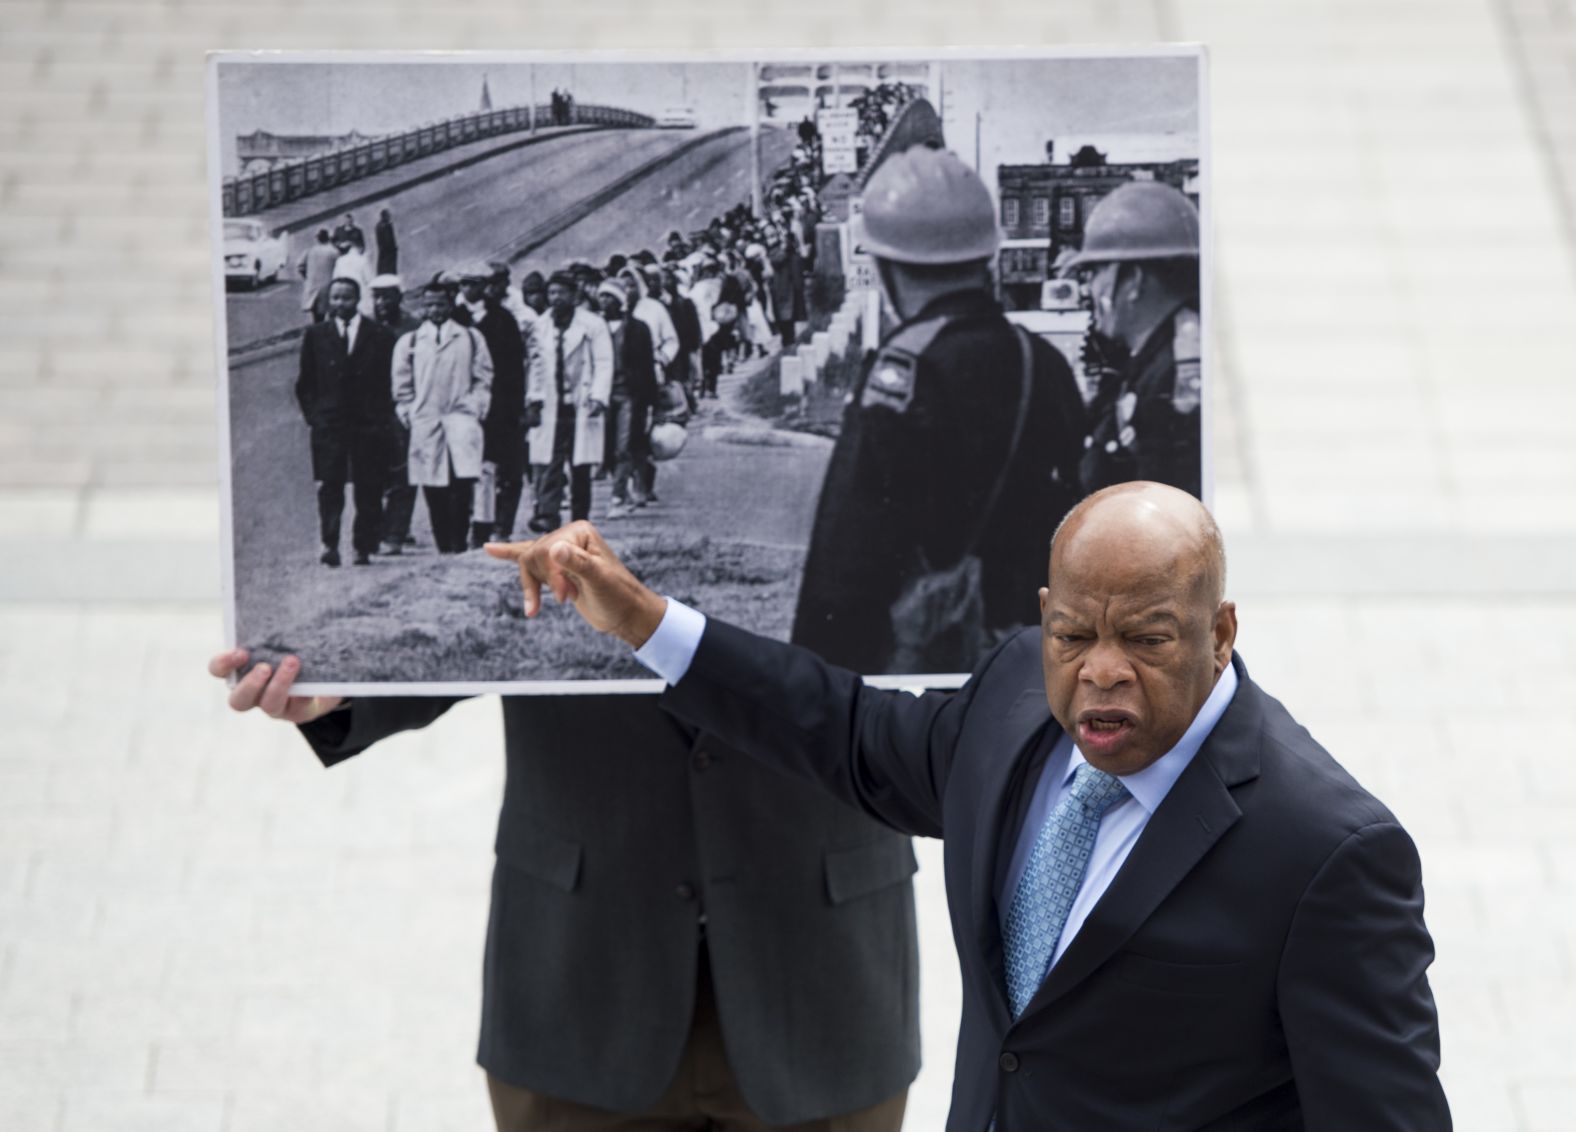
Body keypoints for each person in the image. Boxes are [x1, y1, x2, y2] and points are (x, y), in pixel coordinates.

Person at [485, 482, 1450, 1131]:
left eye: (1148, 641)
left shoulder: (1328, 854)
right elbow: (845, 729)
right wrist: (646, 624)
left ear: (1222, 631)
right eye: (1074, 635)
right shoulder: (1012, 710)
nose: (1102, 675)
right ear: (1042, 617)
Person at [791, 146, 1087, 676]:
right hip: (1037, 668)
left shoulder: (902, 375)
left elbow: (846, 559)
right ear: (986, 255)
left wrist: (813, 690)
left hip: (919, 670)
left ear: (886, 267)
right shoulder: (1043, 363)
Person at [1062, 181, 1203, 498]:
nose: (1090, 289)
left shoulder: (1174, 375)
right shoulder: (1152, 361)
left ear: (1134, 280)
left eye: (1096, 272)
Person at [293, 277, 397, 567]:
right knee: (330, 485)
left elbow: (389, 381)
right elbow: (305, 383)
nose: (340, 304)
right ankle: (330, 543)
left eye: (346, 298)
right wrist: (316, 417)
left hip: (368, 425)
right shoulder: (316, 335)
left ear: (358, 299)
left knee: (369, 485)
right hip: (330, 425)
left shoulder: (379, 335)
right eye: (335, 298)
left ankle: (362, 545)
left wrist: (381, 419)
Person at [392, 282, 493, 554]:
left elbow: (483, 377)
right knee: (432, 484)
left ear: (450, 305)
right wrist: (409, 411)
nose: (434, 310)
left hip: (460, 417)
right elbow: (401, 385)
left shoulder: (470, 338)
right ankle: (444, 545)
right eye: (428, 305)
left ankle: (458, 542)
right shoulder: (410, 342)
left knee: (460, 483)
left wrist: (475, 407)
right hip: (426, 420)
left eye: (439, 304)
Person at [525, 271, 612, 532]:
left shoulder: (592, 324)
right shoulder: (540, 326)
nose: (556, 299)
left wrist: (598, 395)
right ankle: (548, 515)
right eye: (551, 293)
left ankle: (579, 518)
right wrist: (534, 397)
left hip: (580, 403)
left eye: (562, 293)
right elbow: (535, 365)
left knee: (580, 465)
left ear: (574, 296)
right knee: (549, 461)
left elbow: (604, 362)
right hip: (551, 404)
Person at [472, 266, 531, 546]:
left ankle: (503, 525)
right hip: (474, 405)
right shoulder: (461, 318)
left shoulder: (508, 318)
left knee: (508, 468)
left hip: (505, 404)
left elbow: (518, 368)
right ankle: (480, 525)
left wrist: (522, 405)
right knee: (479, 468)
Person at [595, 281, 657, 520]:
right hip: (602, 395)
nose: (604, 302)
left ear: (620, 301)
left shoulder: (638, 329)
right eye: (601, 298)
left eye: (609, 297)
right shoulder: (596, 328)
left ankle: (618, 495)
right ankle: (623, 489)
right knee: (606, 448)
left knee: (624, 446)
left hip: (629, 395)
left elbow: (646, 366)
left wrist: (652, 402)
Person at [369, 275, 422, 555]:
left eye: (386, 297)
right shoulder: (367, 326)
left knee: (403, 471)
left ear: (399, 298)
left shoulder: (414, 328)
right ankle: (377, 526)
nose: (380, 303)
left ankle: (396, 532)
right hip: (372, 408)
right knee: (374, 471)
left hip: (401, 407)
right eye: (376, 297)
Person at [297, 229, 338, 323]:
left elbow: (300, 267)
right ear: (328, 238)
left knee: (317, 318)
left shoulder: (310, 251)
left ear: (318, 239)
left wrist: (307, 278)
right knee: (332, 315)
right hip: (329, 287)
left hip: (313, 288)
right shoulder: (334, 252)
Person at [332, 235, 375, 319]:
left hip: (346, 292)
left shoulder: (340, 261)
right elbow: (370, 280)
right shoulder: (362, 260)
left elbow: (335, 279)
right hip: (362, 294)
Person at [374, 208, 398, 275]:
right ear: (384, 216)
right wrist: (394, 249)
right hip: (388, 251)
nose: (389, 217)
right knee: (390, 268)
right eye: (388, 216)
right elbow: (388, 240)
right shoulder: (385, 226)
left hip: (385, 251)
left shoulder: (379, 225)